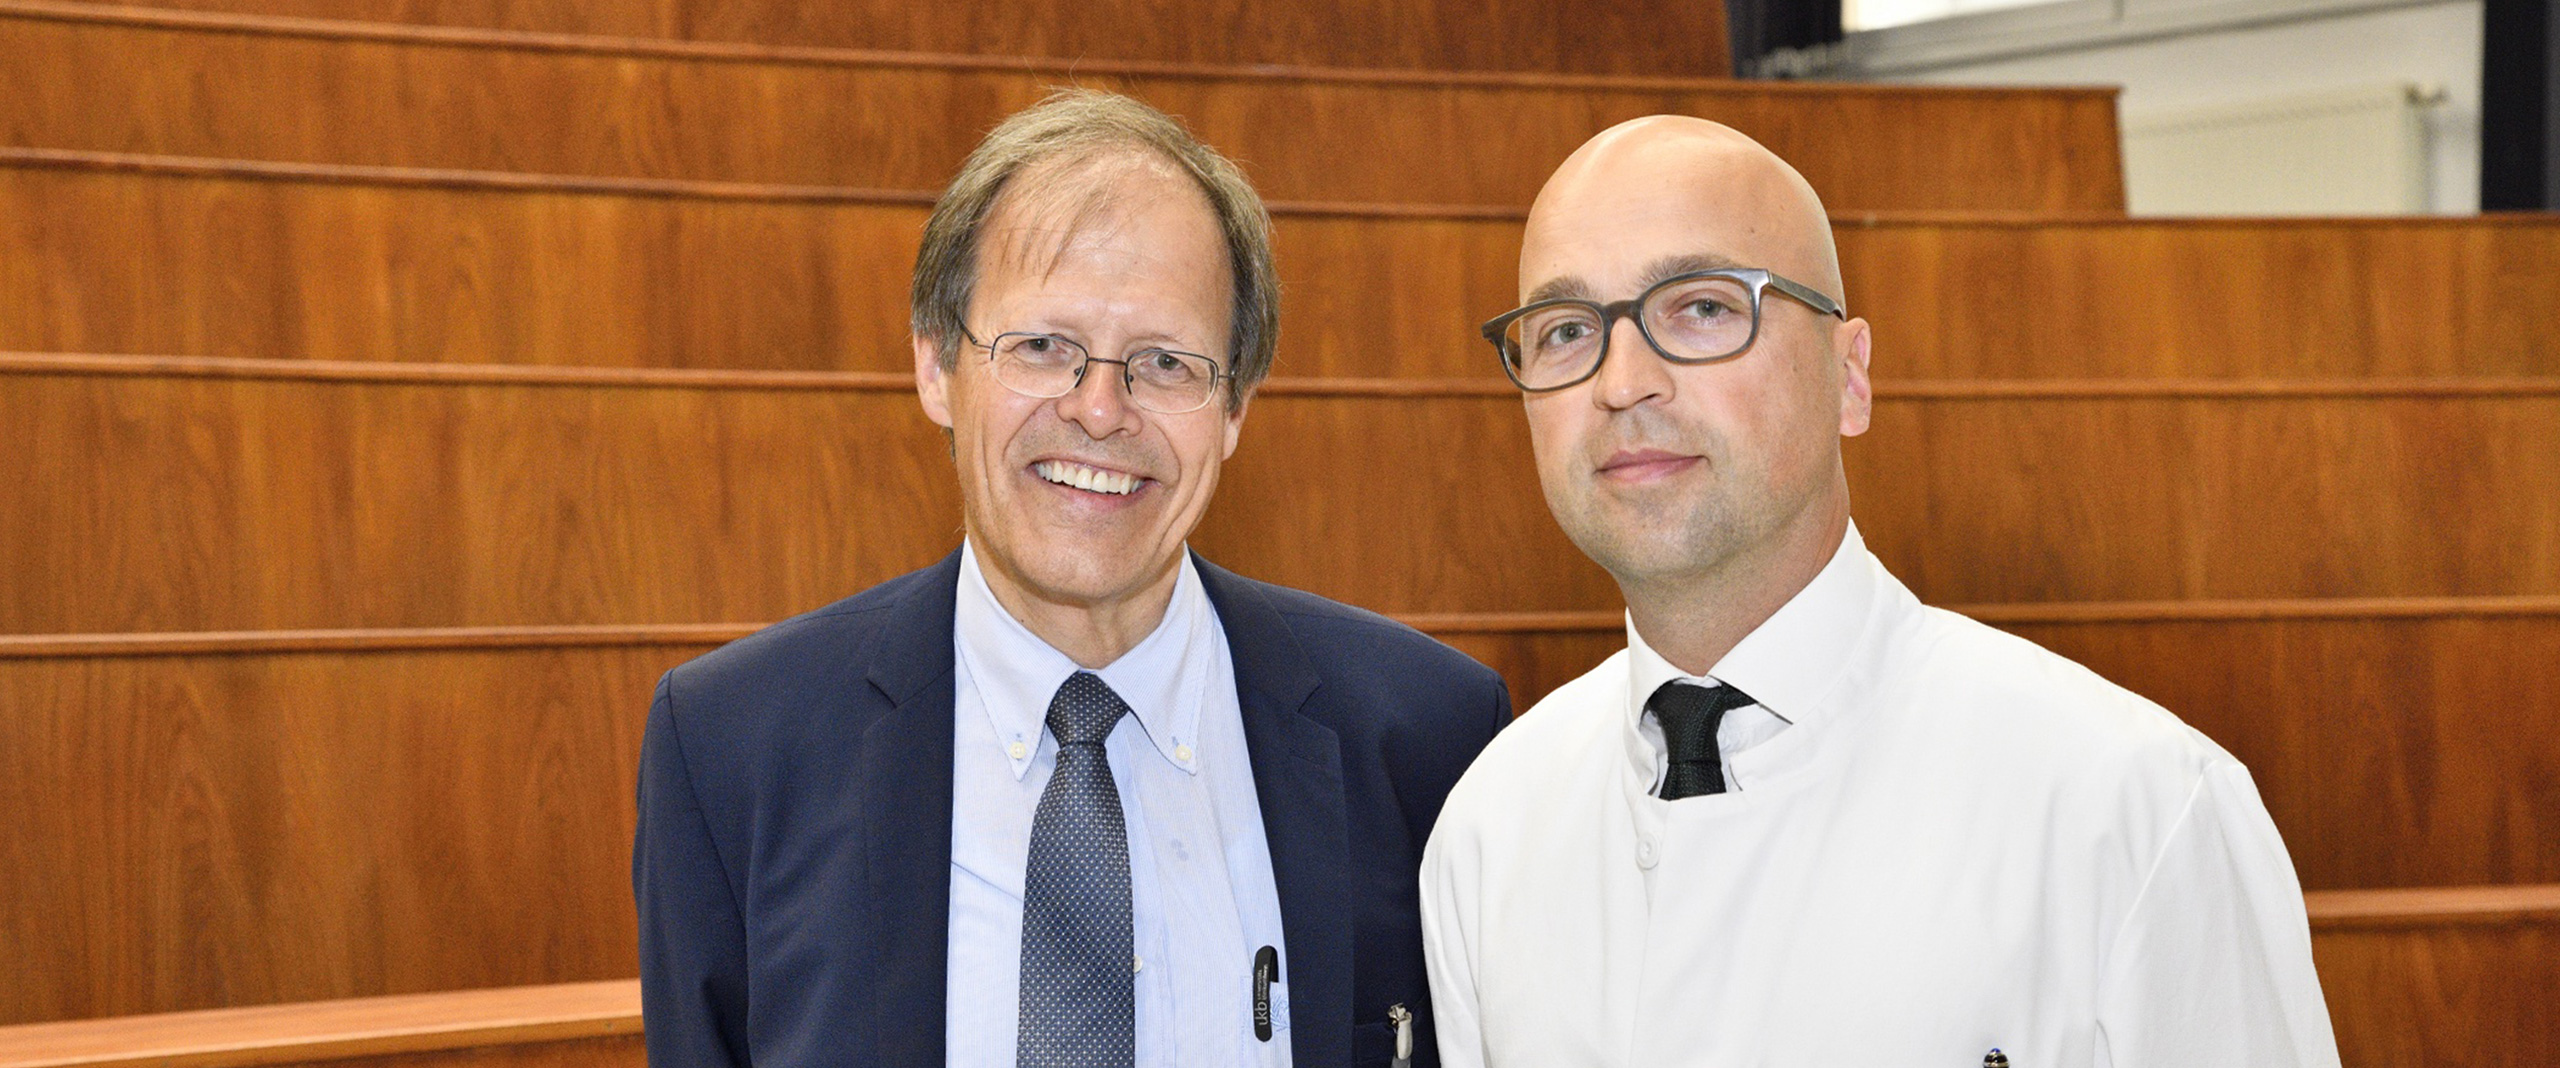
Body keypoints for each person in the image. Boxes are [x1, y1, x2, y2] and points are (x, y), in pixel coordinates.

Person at [1418, 117, 2340, 1067]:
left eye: (1702, 308)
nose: (1624, 382)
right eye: (1567, 331)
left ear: (1849, 376)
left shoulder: (2134, 807)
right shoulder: (1490, 830)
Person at [634, 89, 1508, 1067]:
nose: (1099, 411)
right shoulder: (730, 749)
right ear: (935, 367)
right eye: (1043, 346)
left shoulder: (1426, 737)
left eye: (1165, 361)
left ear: (1234, 407)